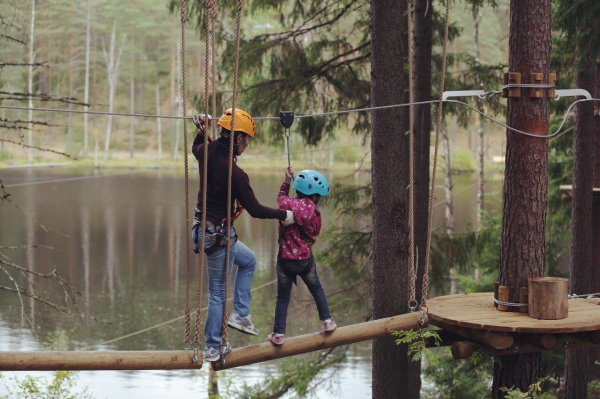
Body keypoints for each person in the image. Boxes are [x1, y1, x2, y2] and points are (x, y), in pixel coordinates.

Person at [191, 109, 295, 362]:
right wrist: (284, 215)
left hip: (207, 232)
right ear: (237, 138)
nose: (247, 145)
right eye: (246, 139)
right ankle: (213, 348)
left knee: (248, 261)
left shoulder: (208, 151)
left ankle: (240, 314)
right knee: (217, 292)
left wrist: (200, 129)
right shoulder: (235, 174)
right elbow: (256, 210)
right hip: (217, 236)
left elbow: (196, 146)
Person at [267, 166, 336, 346]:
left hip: (285, 263)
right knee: (317, 290)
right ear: (315, 196)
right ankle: (327, 322)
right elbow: (313, 236)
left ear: (298, 190)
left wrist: (286, 181)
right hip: (305, 261)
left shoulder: (288, 205)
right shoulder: (315, 215)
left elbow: (280, 199)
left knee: (283, 297)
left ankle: (278, 334)